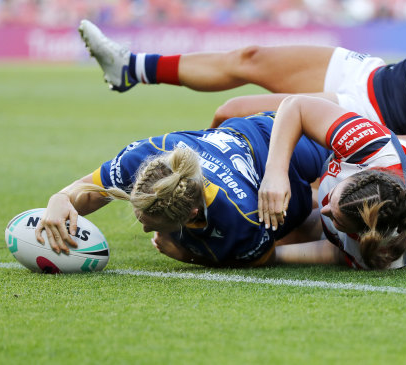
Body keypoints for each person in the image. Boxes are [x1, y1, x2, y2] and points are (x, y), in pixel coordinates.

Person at [78, 0, 406, 144]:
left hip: (373, 114)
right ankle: (129, 68)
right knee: (251, 57)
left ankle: (202, 192)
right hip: (370, 72)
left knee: (230, 114)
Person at [35, 112, 330, 267]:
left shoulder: (243, 218)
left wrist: (186, 255)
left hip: (282, 137)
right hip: (247, 139)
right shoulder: (145, 157)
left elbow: (261, 259)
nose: (145, 232)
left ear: (191, 214)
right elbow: (89, 190)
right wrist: (61, 198)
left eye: (151, 226)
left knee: (319, 218)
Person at [257, 94, 406, 270]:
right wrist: (275, 172)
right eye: (334, 198)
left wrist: (275, 255)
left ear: (366, 234)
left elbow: (336, 252)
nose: (324, 208)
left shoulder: (379, 254)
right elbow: (295, 105)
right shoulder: (369, 146)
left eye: (337, 219)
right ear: (361, 173)